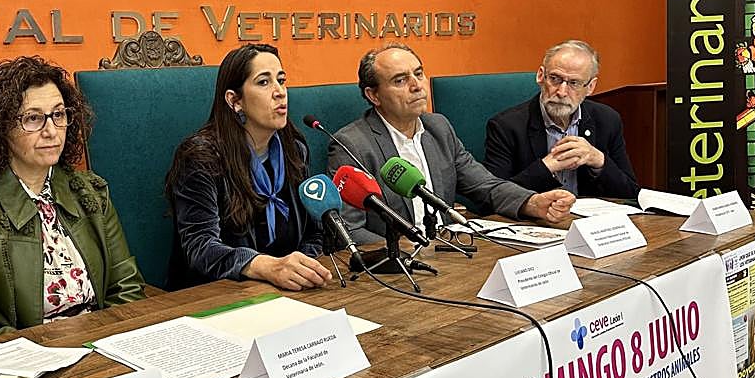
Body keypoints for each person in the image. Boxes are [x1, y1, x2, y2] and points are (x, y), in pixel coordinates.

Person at [0, 57, 145, 340]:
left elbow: (127, 289)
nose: (51, 131)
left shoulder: (91, 192)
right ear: (0, 127)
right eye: (33, 118)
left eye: (59, 115)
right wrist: (49, 353)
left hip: (103, 347)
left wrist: (106, 343)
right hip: (25, 359)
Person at [328, 45, 574, 244]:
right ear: (373, 95)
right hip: (395, 267)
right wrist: (405, 250)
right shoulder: (352, 145)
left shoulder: (438, 128)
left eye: (418, 74)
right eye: (400, 80)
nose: (417, 86)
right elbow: (348, 229)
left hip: (447, 250)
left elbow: (485, 186)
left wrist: (532, 202)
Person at [165, 43, 331, 290]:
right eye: (264, 82)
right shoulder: (201, 158)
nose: (280, 92)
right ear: (234, 100)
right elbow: (201, 247)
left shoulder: (294, 150)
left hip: (287, 292)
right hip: (214, 295)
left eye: (281, 80)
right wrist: (268, 267)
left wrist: (303, 270)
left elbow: (314, 232)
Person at [484, 40, 639, 198]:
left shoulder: (607, 120)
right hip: (538, 213)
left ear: (590, 87)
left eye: (574, 83)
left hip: (589, 213)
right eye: (555, 79)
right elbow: (494, 197)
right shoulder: (506, 126)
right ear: (541, 76)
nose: (562, 92)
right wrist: (547, 167)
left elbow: (630, 194)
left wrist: (598, 160)